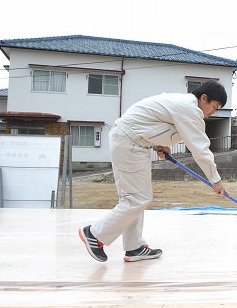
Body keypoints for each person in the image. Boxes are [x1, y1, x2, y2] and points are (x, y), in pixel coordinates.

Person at [78, 80, 228, 263]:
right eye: (214, 106)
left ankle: (134, 247)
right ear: (204, 98)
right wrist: (215, 179)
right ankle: (94, 234)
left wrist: (159, 144)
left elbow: (152, 122)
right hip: (130, 142)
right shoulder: (191, 110)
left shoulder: (182, 104)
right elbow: (200, 148)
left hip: (131, 141)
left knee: (134, 199)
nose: (213, 112)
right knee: (137, 198)